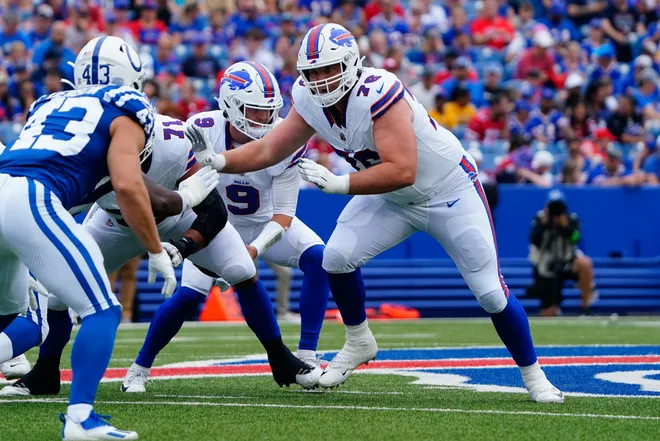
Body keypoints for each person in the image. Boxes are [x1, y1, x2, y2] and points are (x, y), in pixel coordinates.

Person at [189, 23, 563, 403]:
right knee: (335, 258)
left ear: (351, 63)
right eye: (312, 71)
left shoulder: (378, 91)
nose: (319, 79)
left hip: (449, 191)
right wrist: (218, 160)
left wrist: (339, 184)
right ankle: (358, 342)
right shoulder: (307, 98)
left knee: (490, 293)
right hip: (392, 198)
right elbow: (270, 150)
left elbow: (403, 169)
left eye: (328, 69)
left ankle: (534, 377)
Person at [0, 111, 318, 398]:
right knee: (56, 297)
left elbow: (214, 213)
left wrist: (183, 248)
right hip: (115, 223)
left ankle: (279, 357)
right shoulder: (85, 154)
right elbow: (57, 209)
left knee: (239, 268)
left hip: (178, 219)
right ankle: (46, 371)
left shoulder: (176, 142)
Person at [0, 35, 176, 440]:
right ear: (133, 78)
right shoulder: (127, 109)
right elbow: (129, 186)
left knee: (17, 312)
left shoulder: (48, 104)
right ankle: (80, 420)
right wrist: (154, 249)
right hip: (31, 197)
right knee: (100, 309)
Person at [150, 61, 330, 384]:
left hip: (265, 225)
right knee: (189, 295)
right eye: (255, 111)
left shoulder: (283, 139)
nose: (264, 119)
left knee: (321, 258)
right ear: (230, 106)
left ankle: (306, 356)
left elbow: (284, 214)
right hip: (216, 227)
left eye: (268, 111)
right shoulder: (202, 128)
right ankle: (140, 367)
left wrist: (254, 249)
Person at [527, 192, 598, 316]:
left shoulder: (571, 219)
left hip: (567, 263)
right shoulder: (540, 219)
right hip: (546, 267)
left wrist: (566, 227)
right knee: (549, 313)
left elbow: (576, 238)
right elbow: (534, 240)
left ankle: (585, 308)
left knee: (585, 263)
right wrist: (544, 224)